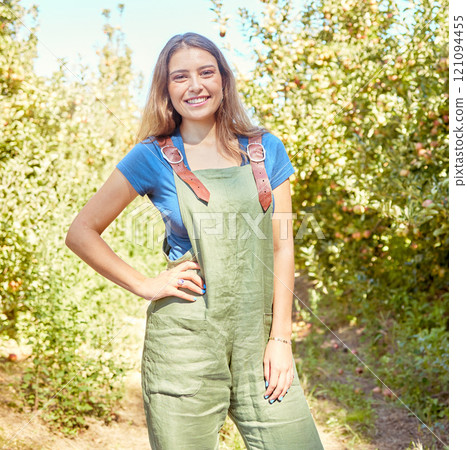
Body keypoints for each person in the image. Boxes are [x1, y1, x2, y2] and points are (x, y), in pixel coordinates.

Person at [66, 32, 324, 450]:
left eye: (206, 72)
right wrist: (146, 285)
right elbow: (81, 232)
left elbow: (282, 246)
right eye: (180, 77)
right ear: (167, 90)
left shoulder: (266, 151)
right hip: (185, 344)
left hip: (257, 343)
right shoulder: (151, 156)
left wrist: (281, 339)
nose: (195, 85)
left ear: (223, 79)